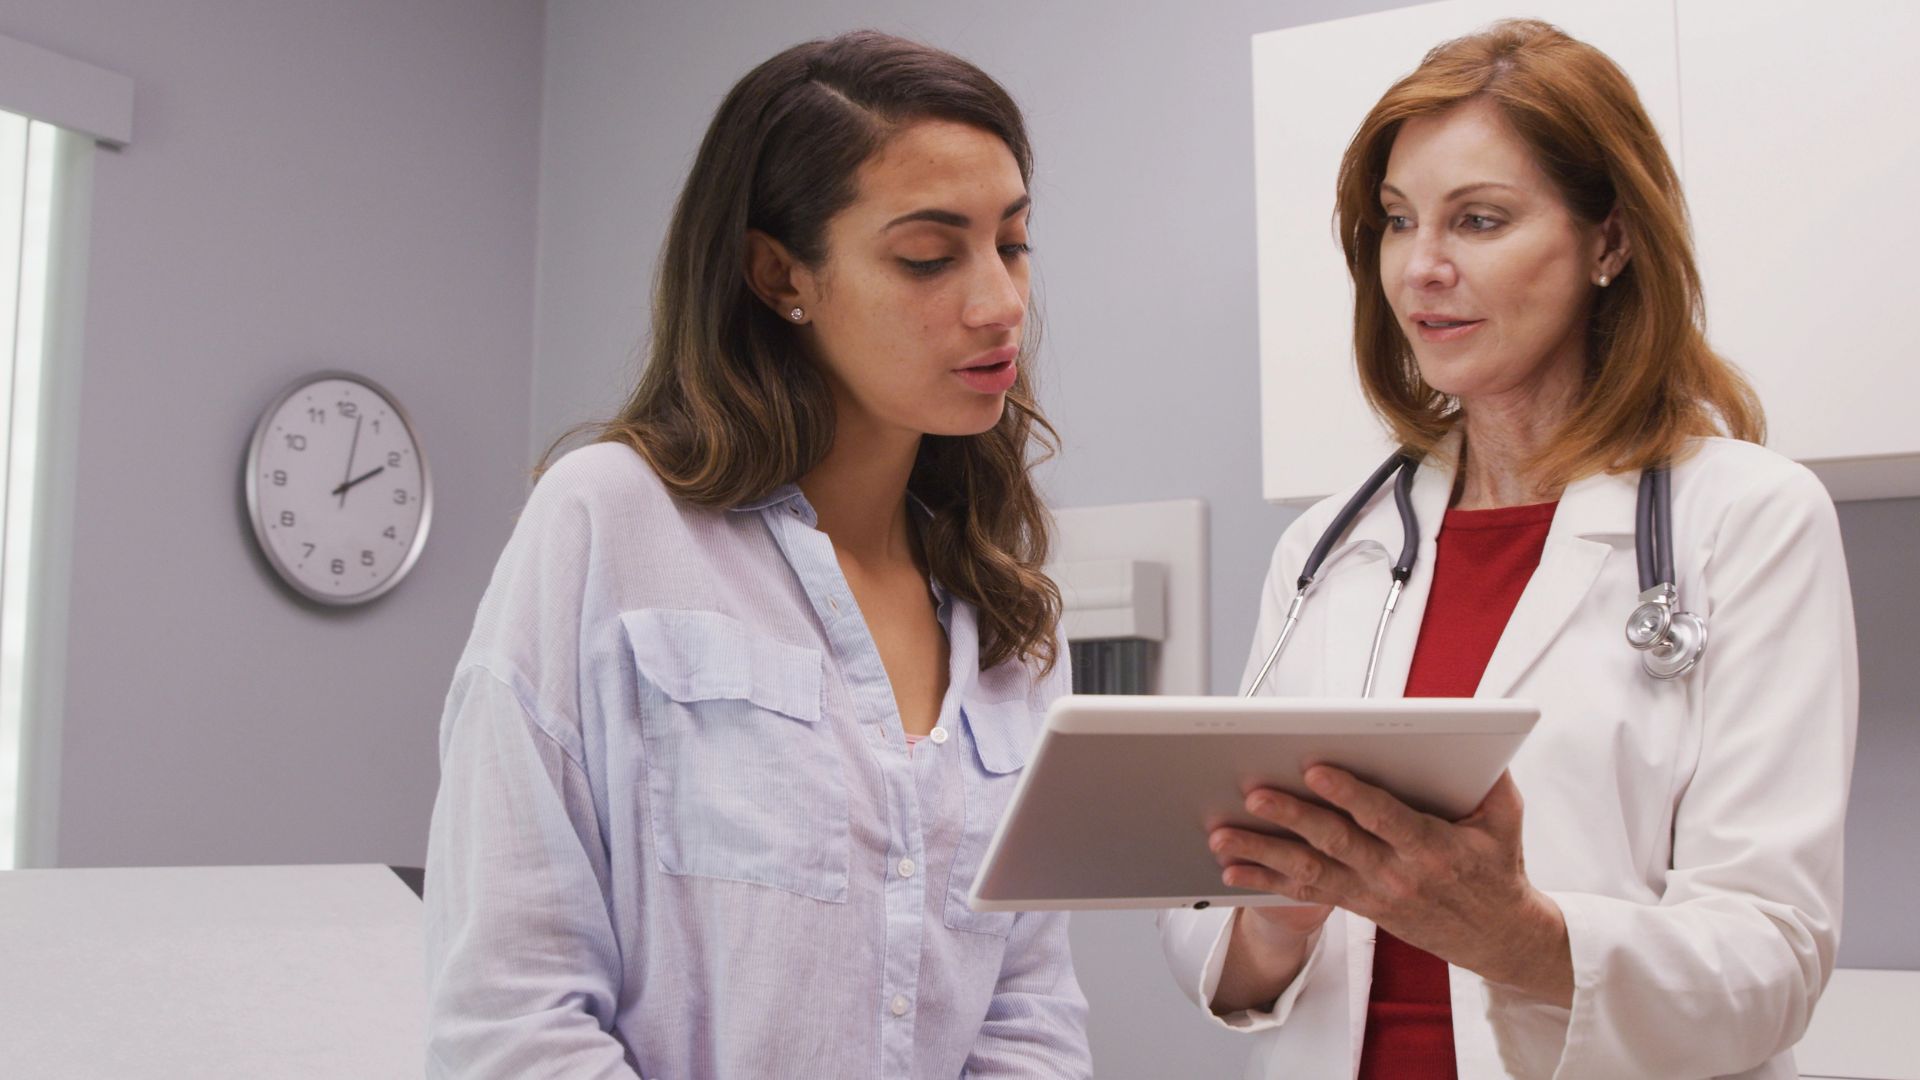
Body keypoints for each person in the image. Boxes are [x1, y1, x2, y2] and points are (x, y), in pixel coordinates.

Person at [1161, 19, 1857, 1079]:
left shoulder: (1749, 520)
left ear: (1609, 242)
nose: (1420, 268)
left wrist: (1514, 934)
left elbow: (1775, 962)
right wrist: (1279, 916)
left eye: (1478, 220)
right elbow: (1208, 931)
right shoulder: (1328, 546)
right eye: (1399, 221)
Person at [424, 30, 1090, 1079]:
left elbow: (1029, 1017)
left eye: (1012, 243)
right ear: (780, 275)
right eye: (929, 255)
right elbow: (510, 1011)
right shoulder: (607, 523)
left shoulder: (1007, 622)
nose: (1001, 302)